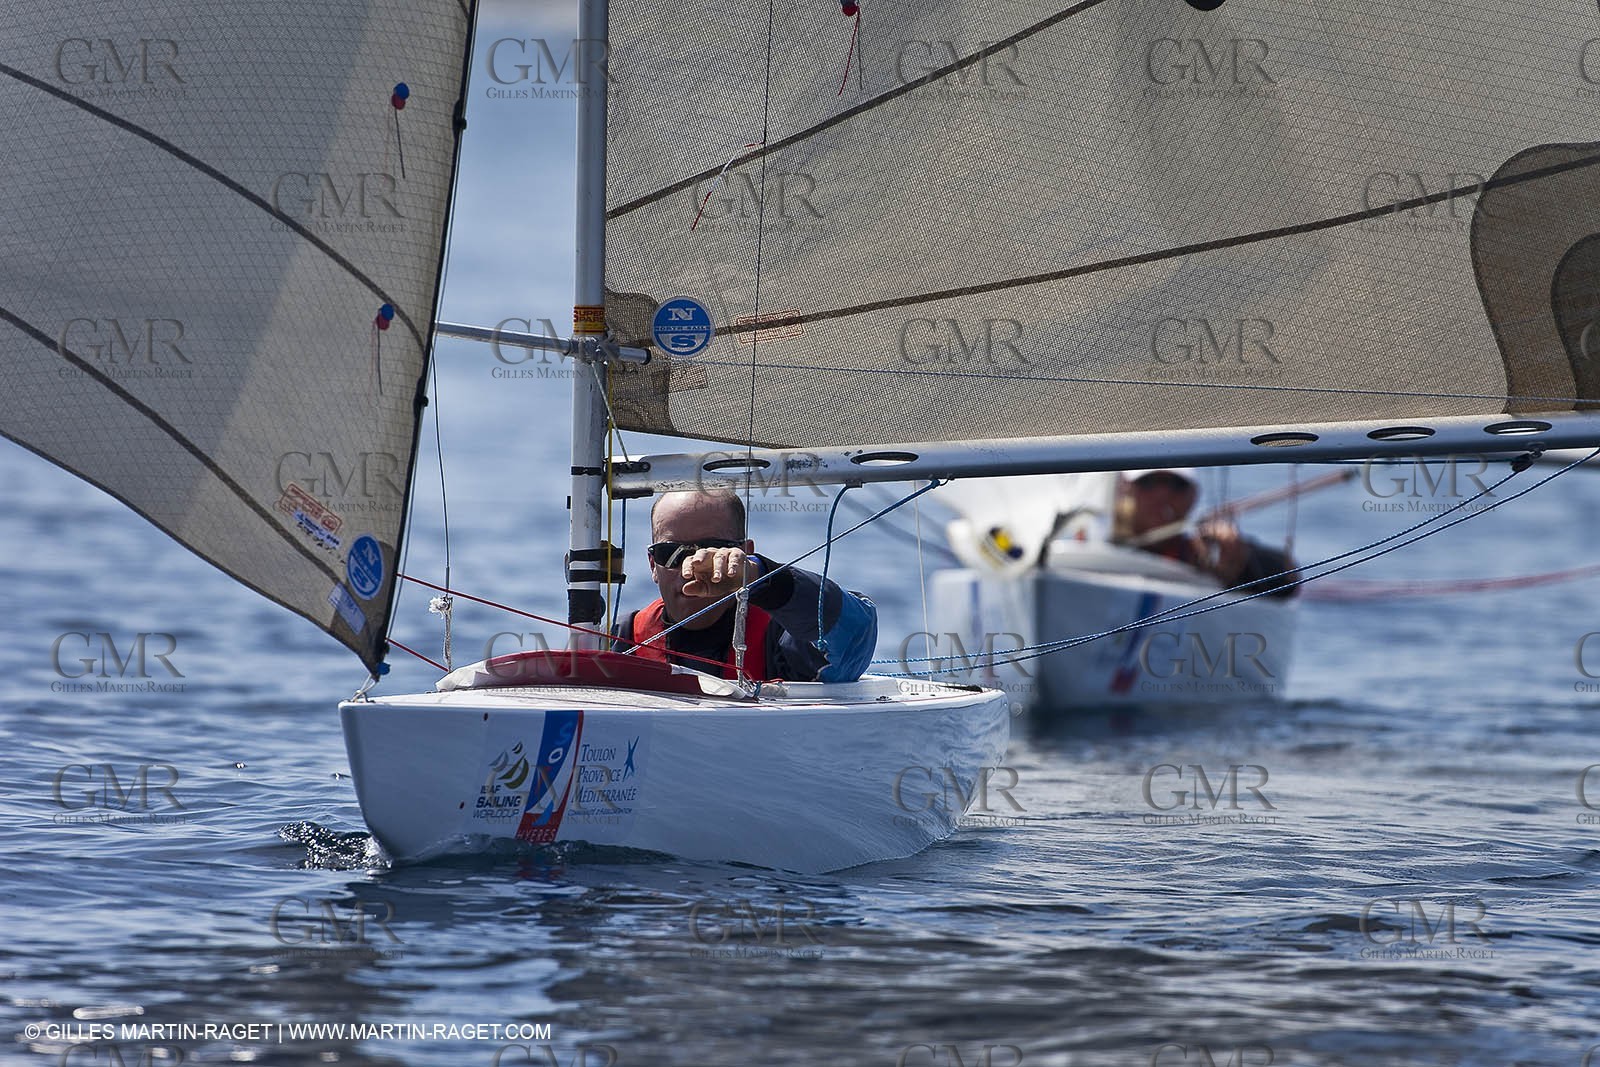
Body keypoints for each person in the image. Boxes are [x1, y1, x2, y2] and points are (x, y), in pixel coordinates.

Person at [613, 489, 878, 681]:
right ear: (652, 564)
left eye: (713, 549)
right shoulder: (617, 641)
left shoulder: (785, 639)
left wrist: (761, 576)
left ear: (745, 552)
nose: (692, 567)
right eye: (671, 553)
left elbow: (856, 636)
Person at [1114, 468, 1299, 597]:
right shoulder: (1091, 537)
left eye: (1177, 485)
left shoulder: (1198, 552)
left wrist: (1240, 559)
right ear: (1124, 489)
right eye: (1148, 483)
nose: (1162, 494)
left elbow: (1289, 580)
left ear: (1194, 495)